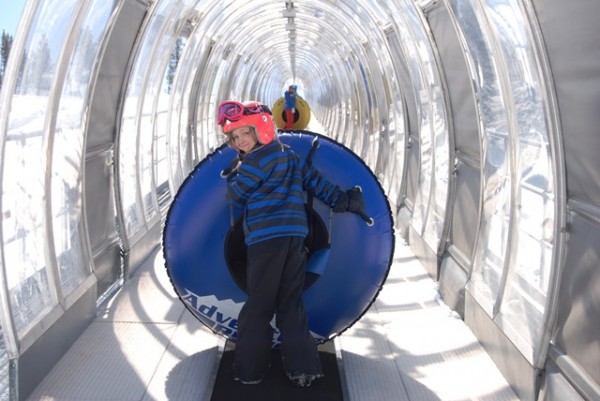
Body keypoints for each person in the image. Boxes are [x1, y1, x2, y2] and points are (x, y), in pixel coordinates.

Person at [217, 99, 365, 387]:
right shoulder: (291, 156)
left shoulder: (254, 163)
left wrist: (234, 174)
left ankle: (249, 369)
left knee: (260, 303)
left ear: (261, 130)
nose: (240, 142)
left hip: (265, 241)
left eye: (244, 133)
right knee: (290, 302)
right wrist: (346, 201)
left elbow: (235, 196)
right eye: (235, 138)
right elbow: (318, 185)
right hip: (295, 239)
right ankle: (303, 368)